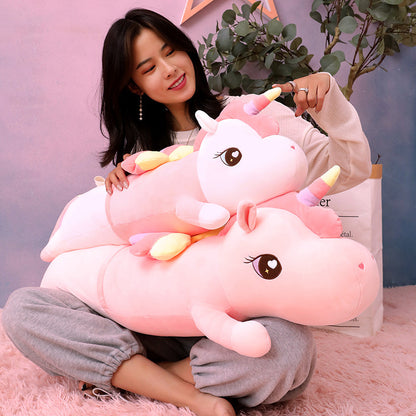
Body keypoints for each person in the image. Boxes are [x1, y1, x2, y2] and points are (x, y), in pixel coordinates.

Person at [2, 8, 372, 416]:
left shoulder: (250, 116)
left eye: (170, 51)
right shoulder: (139, 158)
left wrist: (329, 100)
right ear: (135, 86)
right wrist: (114, 196)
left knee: (288, 349)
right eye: (148, 68)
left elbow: (349, 169)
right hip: (145, 321)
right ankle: (191, 395)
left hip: (225, 323)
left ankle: (141, 377)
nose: (169, 69)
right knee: (23, 310)